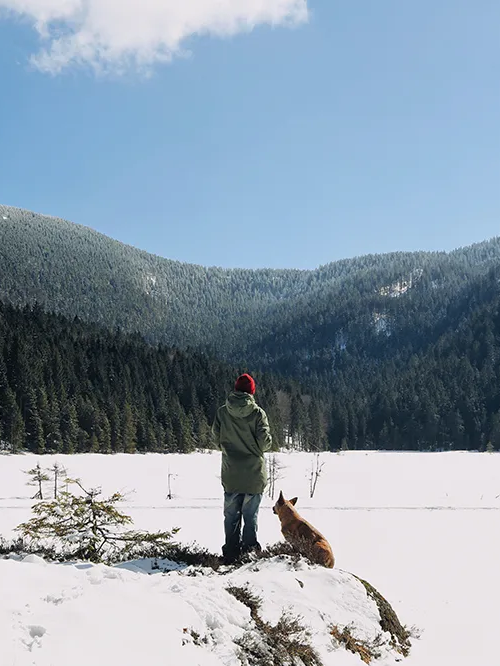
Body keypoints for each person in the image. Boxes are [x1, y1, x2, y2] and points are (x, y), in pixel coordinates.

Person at [212, 373, 273, 564]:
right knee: (250, 516)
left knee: (230, 517)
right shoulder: (257, 413)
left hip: (231, 474)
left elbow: (216, 439)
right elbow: (265, 444)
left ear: (236, 389)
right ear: (251, 392)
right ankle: (249, 553)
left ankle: (230, 553)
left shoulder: (223, 412)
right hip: (253, 474)